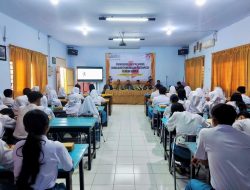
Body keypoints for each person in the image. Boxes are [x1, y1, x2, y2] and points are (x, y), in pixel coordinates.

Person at [185, 104, 250, 190]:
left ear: (214, 120)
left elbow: (204, 162)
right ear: (234, 120)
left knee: (191, 183)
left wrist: (200, 159)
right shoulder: (246, 138)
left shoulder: (205, 133)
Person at [13, 109, 73, 190]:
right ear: (47, 127)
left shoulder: (18, 146)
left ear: (25, 128)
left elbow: (16, 171)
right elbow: (68, 167)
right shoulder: (56, 146)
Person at [167, 103, 208, 170]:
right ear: (184, 109)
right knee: (192, 143)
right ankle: (188, 166)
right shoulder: (198, 117)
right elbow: (208, 128)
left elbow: (169, 128)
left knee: (173, 144)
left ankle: (183, 165)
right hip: (197, 154)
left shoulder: (176, 114)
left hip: (180, 151)